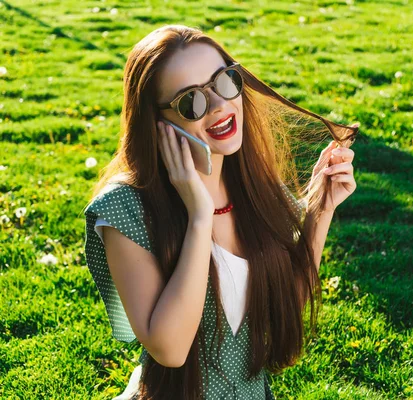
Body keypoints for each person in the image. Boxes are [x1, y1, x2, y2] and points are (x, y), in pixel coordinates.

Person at [82, 24, 359, 399]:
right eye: (191, 101)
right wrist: (199, 217)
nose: (218, 106)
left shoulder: (256, 191)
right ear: (157, 124)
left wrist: (319, 213)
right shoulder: (125, 210)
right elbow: (171, 349)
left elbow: (282, 322)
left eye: (225, 81)